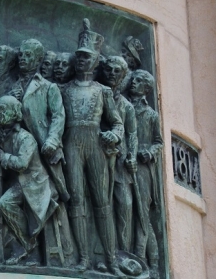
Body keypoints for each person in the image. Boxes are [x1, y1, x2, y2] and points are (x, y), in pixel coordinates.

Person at [61, 19, 123, 274]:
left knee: (101, 202)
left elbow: (117, 123)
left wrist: (114, 136)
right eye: (79, 57)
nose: (81, 61)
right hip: (72, 144)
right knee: (76, 201)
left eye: (87, 58)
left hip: (95, 144)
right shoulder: (63, 89)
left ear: (96, 60)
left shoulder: (103, 92)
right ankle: (84, 258)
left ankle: (111, 260)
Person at [0, 96, 58, 265]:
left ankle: (28, 245)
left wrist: (1, 156)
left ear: (15, 113)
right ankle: (8, 241)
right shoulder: (1, 133)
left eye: (3, 109)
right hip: (17, 183)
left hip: (33, 184)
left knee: (4, 203)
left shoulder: (25, 138)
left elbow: (22, 164)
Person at [8, 39, 70, 203]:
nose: (22, 58)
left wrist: (53, 141)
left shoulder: (48, 87)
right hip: (20, 148)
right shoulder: (12, 87)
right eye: (20, 54)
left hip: (44, 146)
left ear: (37, 59)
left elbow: (58, 115)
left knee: (53, 195)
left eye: (28, 55)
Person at [99, 55, 139, 252]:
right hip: (98, 158)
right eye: (109, 69)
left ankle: (124, 250)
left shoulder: (126, 106)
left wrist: (132, 155)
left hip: (121, 161)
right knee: (101, 205)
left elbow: (132, 134)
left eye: (117, 71)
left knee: (125, 204)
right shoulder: (96, 94)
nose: (112, 74)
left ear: (123, 75)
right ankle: (104, 251)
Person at [127, 69, 163, 277]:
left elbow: (159, 142)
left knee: (142, 215)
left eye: (139, 81)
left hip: (142, 168)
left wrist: (148, 152)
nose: (134, 82)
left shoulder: (151, 114)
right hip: (123, 163)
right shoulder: (122, 105)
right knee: (129, 212)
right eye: (134, 78)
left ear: (147, 89)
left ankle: (147, 260)